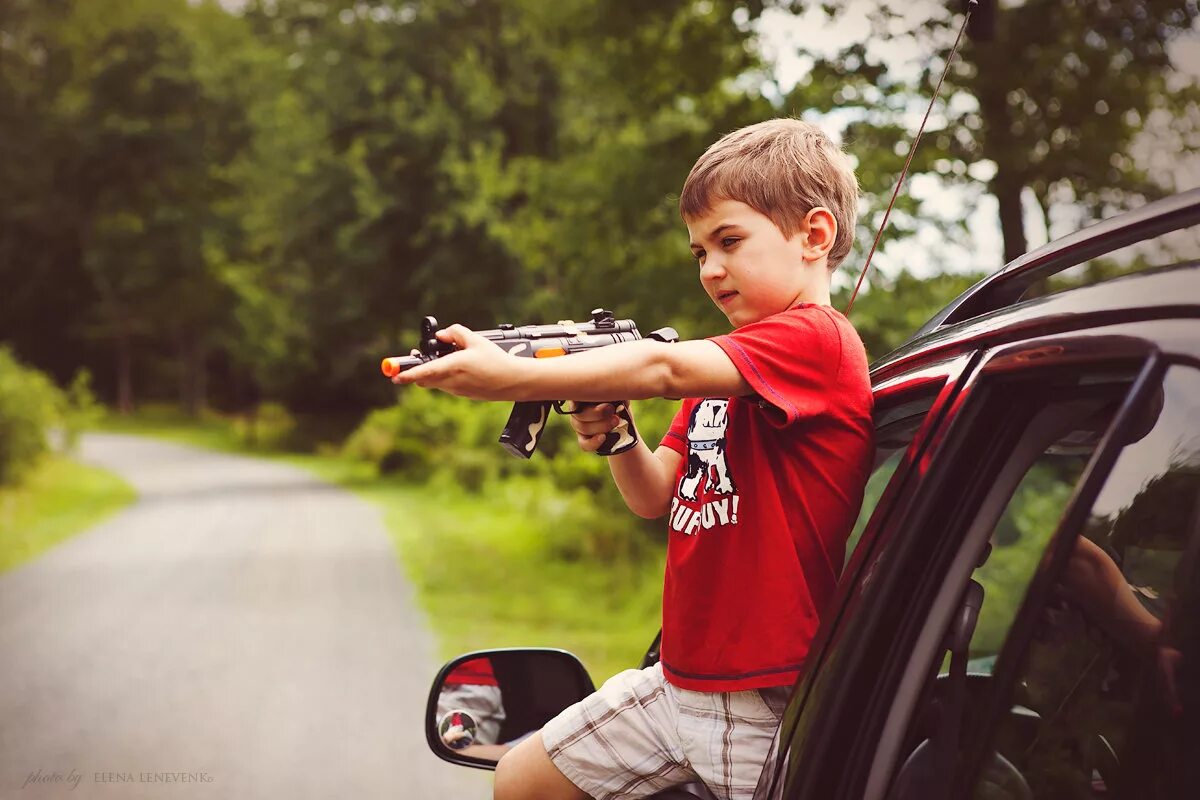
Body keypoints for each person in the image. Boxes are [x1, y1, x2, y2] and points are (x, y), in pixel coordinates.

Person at [394, 118, 874, 800]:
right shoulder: (727, 371)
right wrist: (619, 435)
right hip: (677, 680)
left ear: (814, 236)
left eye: (729, 242)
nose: (710, 269)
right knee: (522, 780)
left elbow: (660, 366)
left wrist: (513, 374)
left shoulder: (817, 341)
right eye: (698, 252)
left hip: (761, 693)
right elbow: (656, 497)